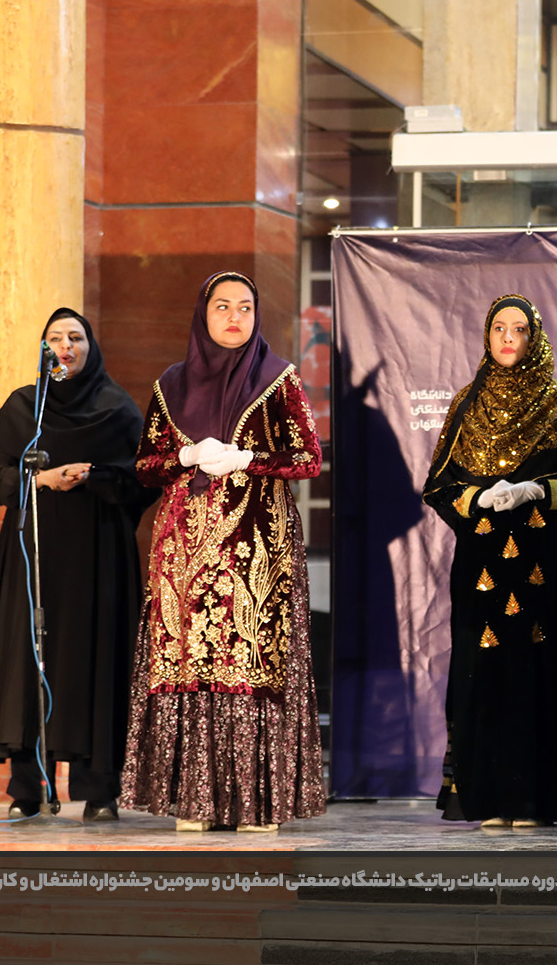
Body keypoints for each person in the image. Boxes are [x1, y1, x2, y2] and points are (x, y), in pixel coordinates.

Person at [121, 272, 326, 832]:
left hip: (257, 552)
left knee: (252, 665)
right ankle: (195, 802)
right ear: (203, 313)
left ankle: (257, 805)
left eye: (245, 308)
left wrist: (248, 459)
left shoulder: (278, 379)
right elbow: (145, 466)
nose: (234, 317)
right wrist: (184, 459)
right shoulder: (171, 384)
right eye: (222, 307)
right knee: (189, 665)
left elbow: (308, 458)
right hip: (183, 553)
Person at [0, 308, 156, 821]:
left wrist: (95, 477)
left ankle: (100, 790)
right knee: (31, 657)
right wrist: (41, 481)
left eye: (76, 337)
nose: (66, 346)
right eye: (55, 338)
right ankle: (28, 787)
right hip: (36, 553)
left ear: (91, 347)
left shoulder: (118, 409)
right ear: (44, 348)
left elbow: (144, 480)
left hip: (98, 556)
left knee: (95, 660)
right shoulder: (25, 406)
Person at [421, 293, 557, 827]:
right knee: (483, 673)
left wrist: (537, 491)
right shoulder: (467, 402)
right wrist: (475, 498)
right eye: (499, 327)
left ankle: (538, 801)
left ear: (534, 337)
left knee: (539, 671)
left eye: (518, 329)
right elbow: (438, 486)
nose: (507, 337)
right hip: (482, 566)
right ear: (487, 335)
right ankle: (487, 799)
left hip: (543, 562)